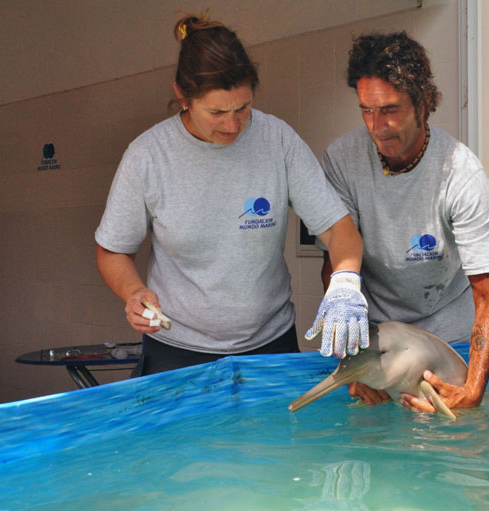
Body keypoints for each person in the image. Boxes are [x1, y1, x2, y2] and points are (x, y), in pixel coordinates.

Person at [95, 12, 368, 375]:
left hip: (269, 347)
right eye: (217, 112)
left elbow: (339, 229)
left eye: (243, 108)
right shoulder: (147, 156)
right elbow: (112, 251)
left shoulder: (278, 140)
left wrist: (346, 282)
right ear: (183, 97)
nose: (233, 125)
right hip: (177, 352)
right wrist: (132, 292)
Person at [319, 32, 489, 413]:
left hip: (449, 339)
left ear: (423, 102)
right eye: (366, 110)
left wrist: (472, 390)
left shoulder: (461, 173)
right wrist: (352, 361)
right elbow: (336, 268)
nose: (378, 125)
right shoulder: (342, 160)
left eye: (391, 109)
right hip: (375, 338)